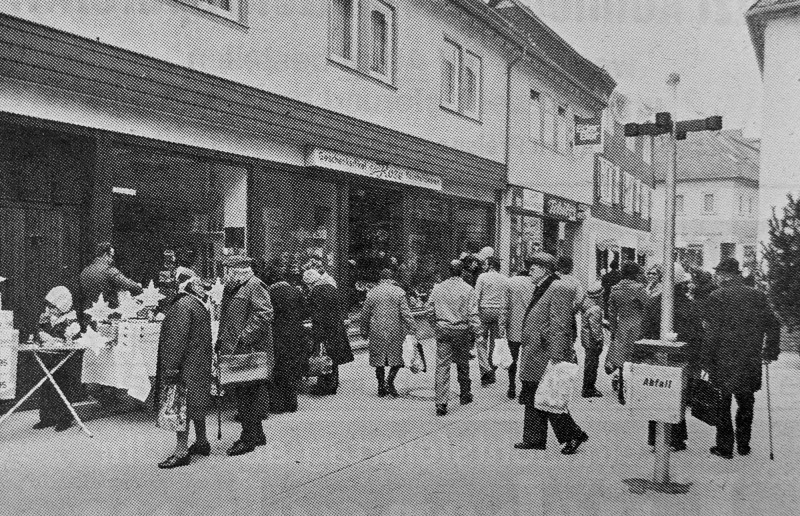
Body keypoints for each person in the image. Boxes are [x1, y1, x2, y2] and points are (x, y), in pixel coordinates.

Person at [702, 258, 781, 459]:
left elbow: (712, 332)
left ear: (725, 275)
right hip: (750, 358)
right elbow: (773, 324)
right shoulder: (757, 295)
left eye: (719, 273)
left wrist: (706, 359)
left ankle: (725, 447)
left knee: (723, 403)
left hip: (723, 359)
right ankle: (744, 445)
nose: (717, 277)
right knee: (746, 401)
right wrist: (770, 351)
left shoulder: (717, 296)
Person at [515, 252, 588, 455]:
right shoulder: (543, 286)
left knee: (548, 396)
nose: (530, 269)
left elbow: (560, 323)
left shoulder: (558, 287)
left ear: (546, 270)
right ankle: (534, 438)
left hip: (545, 352)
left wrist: (557, 355)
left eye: (535, 266)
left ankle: (573, 434)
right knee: (533, 393)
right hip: (536, 350)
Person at [216, 256, 275, 457]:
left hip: (249, 349)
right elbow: (226, 318)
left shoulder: (254, 285)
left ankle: (247, 438)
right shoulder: (232, 288)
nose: (224, 275)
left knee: (246, 394)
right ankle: (257, 434)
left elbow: (265, 313)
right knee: (246, 393)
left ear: (237, 270)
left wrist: (245, 336)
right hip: (235, 348)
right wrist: (220, 340)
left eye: (227, 271)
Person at [641, 265, 703, 452]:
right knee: (679, 397)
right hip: (683, 358)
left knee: (658, 394)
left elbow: (645, 332)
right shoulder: (691, 306)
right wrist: (698, 360)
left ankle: (656, 438)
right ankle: (677, 438)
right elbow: (697, 336)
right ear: (682, 284)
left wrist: (644, 356)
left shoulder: (653, 303)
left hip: (657, 356)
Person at [155, 274, 213, 469]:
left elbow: (176, 340)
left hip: (185, 365)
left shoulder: (181, 305)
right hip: (199, 363)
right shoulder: (198, 305)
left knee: (182, 407)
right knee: (196, 402)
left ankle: (181, 452)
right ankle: (202, 442)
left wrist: (171, 367)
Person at [426, 260, 481, 416]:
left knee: (442, 365)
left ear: (449, 271)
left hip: (443, 329)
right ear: (462, 271)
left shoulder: (438, 288)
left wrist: (435, 325)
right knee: (463, 363)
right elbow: (472, 314)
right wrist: (478, 332)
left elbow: (429, 309)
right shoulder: (468, 289)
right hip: (461, 330)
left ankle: (441, 403)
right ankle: (465, 394)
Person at [360, 269, 417, 398]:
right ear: (391, 278)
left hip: (377, 330)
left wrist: (363, 330)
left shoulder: (372, 292)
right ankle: (389, 382)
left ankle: (381, 386)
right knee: (397, 359)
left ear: (380, 279)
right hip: (395, 330)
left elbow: (365, 314)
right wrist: (413, 328)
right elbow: (406, 313)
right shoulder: (399, 292)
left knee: (379, 360)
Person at [33, 286, 82, 432]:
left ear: (63, 306)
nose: (49, 310)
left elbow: (73, 338)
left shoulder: (70, 320)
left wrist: (60, 339)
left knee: (62, 387)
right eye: (48, 306)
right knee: (46, 387)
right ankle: (47, 417)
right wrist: (41, 334)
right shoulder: (46, 317)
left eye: (53, 307)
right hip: (47, 356)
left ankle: (64, 418)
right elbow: (37, 331)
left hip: (63, 359)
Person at [265, 264, 308, 414]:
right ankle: (292, 402)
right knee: (292, 367)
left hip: (278, 334)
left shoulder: (270, 293)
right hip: (296, 334)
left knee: (278, 369)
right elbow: (305, 311)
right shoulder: (295, 291)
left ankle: (278, 404)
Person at [303, 268, 354, 396]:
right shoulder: (331, 287)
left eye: (307, 284)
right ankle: (333, 383)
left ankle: (325, 386)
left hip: (324, 329)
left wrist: (317, 332)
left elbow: (317, 313)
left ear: (310, 282)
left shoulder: (316, 291)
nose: (308, 287)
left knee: (322, 356)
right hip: (336, 327)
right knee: (333, 356)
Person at [607, 260, 648, 405]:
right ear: (635, 274)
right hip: (638, 325)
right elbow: (648, 306)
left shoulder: (615, 289)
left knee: (621, 357)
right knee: (636, 357)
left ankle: (621, 389)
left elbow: (611, 313)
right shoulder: (639, 289)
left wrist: (613, 329)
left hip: (622, 325)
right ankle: (634, 388)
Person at [79, 242, 143, 317]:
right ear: (105, 254)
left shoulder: (85, 271)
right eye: (111, 256)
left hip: (87, 313)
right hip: (107, 313)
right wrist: (139, 287)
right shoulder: (109, 270)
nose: (112, 259)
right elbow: (130, 285)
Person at [474, 256, 509, 387]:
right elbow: (507, 298)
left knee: (481, 341)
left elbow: (476, 296)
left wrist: (474, 314)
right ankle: (492, 370)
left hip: (484, 311)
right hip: (499, 312)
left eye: (485, 264)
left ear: (490, 265)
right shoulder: (505, 279)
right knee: (495, 343)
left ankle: (485, 370)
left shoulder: (482, 277)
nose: (483, 266)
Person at [504, 258, 535, 399]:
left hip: (513, 326)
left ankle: (511, 387)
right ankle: (524, 390)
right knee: (527, 359)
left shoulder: (510, 282)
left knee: (513, 358)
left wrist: (501, 326)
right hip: (530, 327)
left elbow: (504, 307)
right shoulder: (536, 283)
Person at [579, 282, 604, 398]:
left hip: (586, 340)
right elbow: (595, 329)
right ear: (598, 296)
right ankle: (589, 389)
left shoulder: (586, 305)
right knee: (592, 366)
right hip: (592, 341)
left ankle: (587, 388)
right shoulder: (596, 309)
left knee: (589, 364)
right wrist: (599, 340)